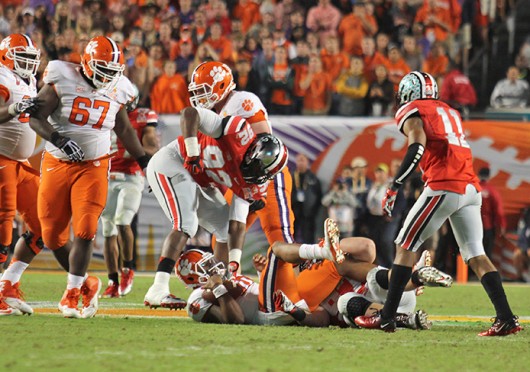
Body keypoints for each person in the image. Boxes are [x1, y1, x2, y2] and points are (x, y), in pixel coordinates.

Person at [355, 71, 522, 336]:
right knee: (476, 255)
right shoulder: (451, 111)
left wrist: (395, 183)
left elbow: (417, 145)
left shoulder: (412, 109)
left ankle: (386, 318)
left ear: (409, 93)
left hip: (445, 185)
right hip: (470, 187)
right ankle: (506, 319)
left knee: (405, 245)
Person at [28, 36, 149, 319]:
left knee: (85, 230)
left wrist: (144, 160)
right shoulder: (62, 76)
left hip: (94, 166)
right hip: (57, 163)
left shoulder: (120, 89)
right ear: (86, 63)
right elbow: (36, 118)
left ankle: (71, 293)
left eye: (112, 72)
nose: (107, 78)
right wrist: (58, 138)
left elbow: (124, 129)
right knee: (52, 235)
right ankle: (84, 284)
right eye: (102, 70)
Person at [143, 106, 289, 309]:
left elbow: (237, 225)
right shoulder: (237, 132)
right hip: (173, 161)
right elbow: (189, 113)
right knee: (187, 224)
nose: (256, 174)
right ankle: (158, 289)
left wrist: (234, 266)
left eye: (262, 172)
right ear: (254, 151)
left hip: (199, 180)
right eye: (257, 167)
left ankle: (220, 284)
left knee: (224, 230)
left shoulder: (254, 184)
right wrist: (193, 153)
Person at [187, 61, 298, 290]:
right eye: (196, 91)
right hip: (239, 183)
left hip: (266, 177)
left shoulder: (241, 102)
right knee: (222, 234)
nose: (199, 97)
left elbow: (267, 147)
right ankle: (223, 288)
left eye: (203, 90)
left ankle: (293, 290)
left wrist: (255, 184)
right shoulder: (211, 115)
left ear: (221, 86)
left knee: (278, 236)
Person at [0, 34, 47, 316]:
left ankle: (8, 285)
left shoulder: (27, 80)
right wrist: (15, 108)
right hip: (1, 157)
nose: (29, 63)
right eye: (23, 57)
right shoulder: (2, 76)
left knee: (46, 222)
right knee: (3, 220)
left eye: (32, 58)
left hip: (21, 163)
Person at [100, 87, 160, 298]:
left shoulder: (143, 117)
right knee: (107, 230)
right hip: (107, 176)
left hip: (131, 176)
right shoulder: (104, 111)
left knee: (122, 221)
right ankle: (112, 279)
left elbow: (152, 147)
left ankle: (127, 269)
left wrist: (133, 151)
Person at [292, 153, 322, 243]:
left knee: (308, 236)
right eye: (298, 160)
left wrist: (314, 211)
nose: (300, 163)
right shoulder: (291, 176)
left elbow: (319, 195)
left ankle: (309, 256)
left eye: (303, 160)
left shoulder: (313, 178)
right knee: (291, 235)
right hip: (293, 210)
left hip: (308, 213)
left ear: (307, 162)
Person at [477, 167, 506, 260]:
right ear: (489, 176)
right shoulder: (492, 190)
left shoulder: (472, 188)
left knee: (471, 253)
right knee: (486, 254)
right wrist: (502, 225)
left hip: (471, 225)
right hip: (487, 226)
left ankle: (466, 273)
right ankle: (484, 274)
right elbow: (498, 210)